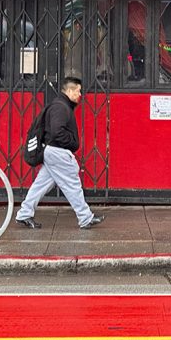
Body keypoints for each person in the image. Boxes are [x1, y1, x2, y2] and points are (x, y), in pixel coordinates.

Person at [15, 77, 105, 230]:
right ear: (69, 91)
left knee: (40, 184)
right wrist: (72, 142)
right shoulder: (61, 107)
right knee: (72, 184)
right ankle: (85, 218)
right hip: (57, 152)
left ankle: (24, 214)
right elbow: (57, 132)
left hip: (51, 151)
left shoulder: (59, 105)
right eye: (77, 91)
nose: (79, 95)